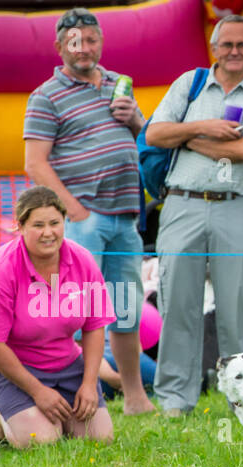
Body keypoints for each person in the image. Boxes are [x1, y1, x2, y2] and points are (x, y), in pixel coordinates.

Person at [144, 13, 243, 417]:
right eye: (227, 44)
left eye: (242, 45)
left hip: (236, 206)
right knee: (177, 304)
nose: (234, 51)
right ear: (214, 48)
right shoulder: (190, 83)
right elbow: (153, 133)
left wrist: (188, 139)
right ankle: (173, 400)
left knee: (238, 307)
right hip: (182, 203)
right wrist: (204, 128)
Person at [23, 7, 155, 416]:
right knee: (75, 311)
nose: (84, 48)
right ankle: (74, 393)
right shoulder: (46, 96)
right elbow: (35, 163)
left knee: (125, 310)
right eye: (75, 41)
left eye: (91, 39)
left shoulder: (120, 85)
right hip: (85, 221)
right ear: (60, 46)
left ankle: (134, 397)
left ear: (101, 43)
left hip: (125, 218)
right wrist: (72, 211)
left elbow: (146, 138)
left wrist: (136, 119)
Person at [0, 186, 114, 449]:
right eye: (38, 225)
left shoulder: (83, 261)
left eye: (55, 223)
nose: (48, 232)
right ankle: (0, 417)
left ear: (64, 222)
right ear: (20, 226)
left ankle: (45, 411)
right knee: (42, 441)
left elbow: (94, 326)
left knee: (99, 439)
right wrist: (38, 392)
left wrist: (90, 384)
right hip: (9, 364)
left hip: (64, 361)